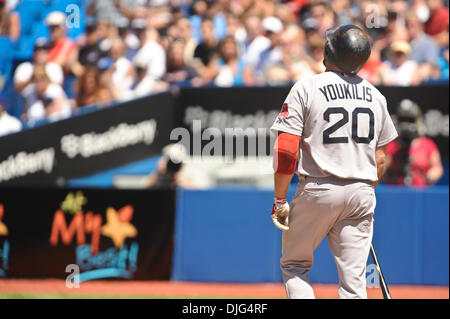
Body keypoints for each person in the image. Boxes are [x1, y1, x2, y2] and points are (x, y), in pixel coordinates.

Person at [270, 25, 398, 299]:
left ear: (330, 53)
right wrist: (360, 193)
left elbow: (286, 152)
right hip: (362, 191)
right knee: (354, 283)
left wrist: (280, 200)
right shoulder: (376, 95)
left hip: (318, 188)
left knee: (294, 265)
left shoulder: (307, 87)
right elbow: (380, 159)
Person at [383, 99, 444, 187]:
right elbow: (381, 169)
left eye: (410, 120)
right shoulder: (391, 145)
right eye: (403, 120)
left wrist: (429, 176)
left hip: (419, 194)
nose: (406, 124)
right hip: (396, 191)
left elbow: (437, 168)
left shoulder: (427, 144)